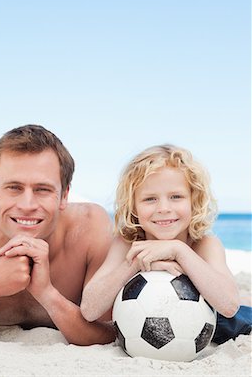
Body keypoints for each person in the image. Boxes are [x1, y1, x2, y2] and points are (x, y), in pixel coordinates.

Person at [0, 124, 116, 348]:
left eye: (42, 189)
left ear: (64, 195)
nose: (27, 205)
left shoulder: (90, 228)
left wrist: (48, 294)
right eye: (14, 188)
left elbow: (108, 335)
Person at [81, 144, 251, 343]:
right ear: (133, 207)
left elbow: (229, 305)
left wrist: (179, 251)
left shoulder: (205, 244)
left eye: (176, 197)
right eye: (150, 199)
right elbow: (89, 309)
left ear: (193, 201)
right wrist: (135, 263)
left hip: (216, 323)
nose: (163, 208)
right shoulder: (127, 244)